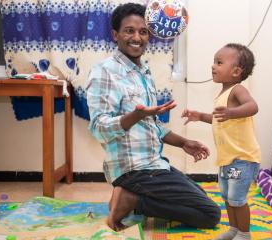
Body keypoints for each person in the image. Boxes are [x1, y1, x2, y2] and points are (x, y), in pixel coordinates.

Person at [86, 3, 220, 232]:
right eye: (129, 30)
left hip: (154, 164)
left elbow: (153, 125)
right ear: (115, 34)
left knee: (201, 197)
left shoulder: (144, 72)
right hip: (133, 169)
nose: (137, 37)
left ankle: (132, 198)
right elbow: (99, 127)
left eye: (143, 31)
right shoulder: (105, 71)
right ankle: (132, 199)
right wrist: (134, 116)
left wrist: (184, 142)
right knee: (210, 214)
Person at [182, 43, 261, 240]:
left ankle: (244, 233)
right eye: (213, 62)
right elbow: (219, 119)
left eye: (219, 62)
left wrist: (232, 112)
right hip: (227, 159)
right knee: (227, 197)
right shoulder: (222, 95)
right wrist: (200, 116)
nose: (213, 66)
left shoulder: (237, 90)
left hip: (243, 158)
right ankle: (234, 229)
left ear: (236, 71)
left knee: (237, 199)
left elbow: (253, 107)